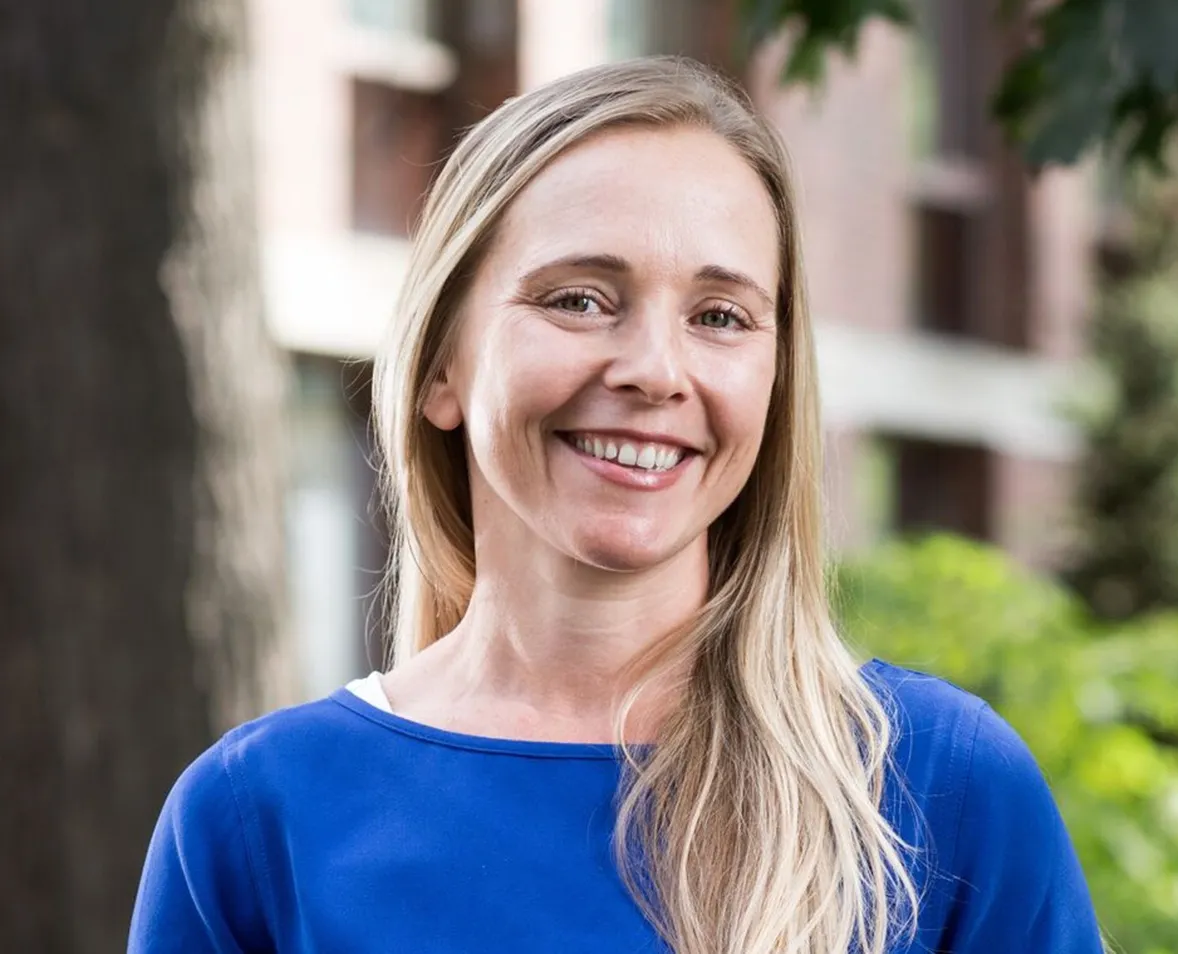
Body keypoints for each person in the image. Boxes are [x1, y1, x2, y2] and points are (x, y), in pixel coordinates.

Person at [128, 56, 1103, 953]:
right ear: (438, 366)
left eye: (719, 316)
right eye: (579, 299)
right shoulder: (257, 818)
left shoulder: (936, 789)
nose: (652, 370)